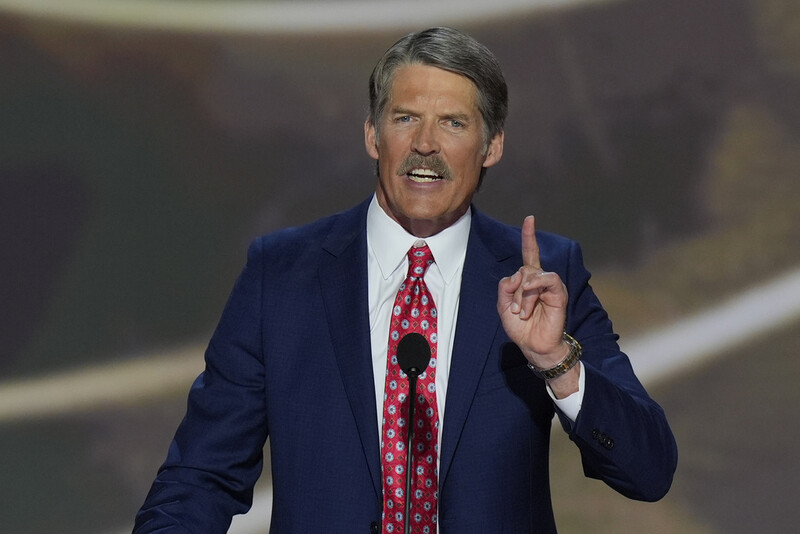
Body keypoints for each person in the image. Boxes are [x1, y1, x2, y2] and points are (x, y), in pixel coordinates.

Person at [133, 27, 677, 533]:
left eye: (453, 123)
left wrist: (556, 360)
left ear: (492, 147)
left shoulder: (544, 276)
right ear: (373, 134)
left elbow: (647, 472)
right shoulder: (281, 274)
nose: (425, 144)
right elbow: (199, 476)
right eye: (404, 118)